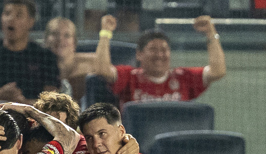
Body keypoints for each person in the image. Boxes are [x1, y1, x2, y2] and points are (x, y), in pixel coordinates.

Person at [94, 16, 226, 107]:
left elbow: (217, 71)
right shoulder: (129, 76)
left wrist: (210, 33)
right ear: (139, 55)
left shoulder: (183, 77)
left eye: (164, 50)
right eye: (153, 49)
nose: (159, 55)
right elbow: (101, 69)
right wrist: (105, 33)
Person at [0, 0, 60, 104]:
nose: (11, 19)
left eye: (19, 15)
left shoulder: (45, 57)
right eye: (7, 13)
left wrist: (22, 103)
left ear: (31, 22)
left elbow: (51, 103)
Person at [44, 16, 114, 101]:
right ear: (46, 40)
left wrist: (105, 32)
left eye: (67, 35)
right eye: (55, 34)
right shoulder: (35, 65)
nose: (60, 39)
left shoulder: (91, 61)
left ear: (74, 42)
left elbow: (109, 74)